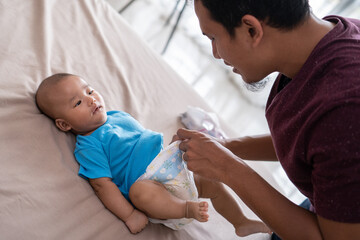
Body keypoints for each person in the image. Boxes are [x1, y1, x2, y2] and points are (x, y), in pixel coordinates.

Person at [177, 0, 360, 239]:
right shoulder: (329, 38)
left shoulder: (345, 110)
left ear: (251, 30)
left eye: (213, 38)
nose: (216, 54)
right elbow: (311, 139)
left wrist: (228, 168)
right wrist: (225, 149)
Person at [35, 73, 270, 236]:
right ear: (65, 125)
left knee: (212, 181)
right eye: (77, 103)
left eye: (90, 90)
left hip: (171, 169)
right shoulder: (88, 146)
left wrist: (173, 147)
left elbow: (146, 145)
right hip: (149, 186)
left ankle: (240, 222)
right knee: (140, 193)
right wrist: (129, 215)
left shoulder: (117, 116)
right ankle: (185, 209)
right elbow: (102, 185)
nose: (91, 99)